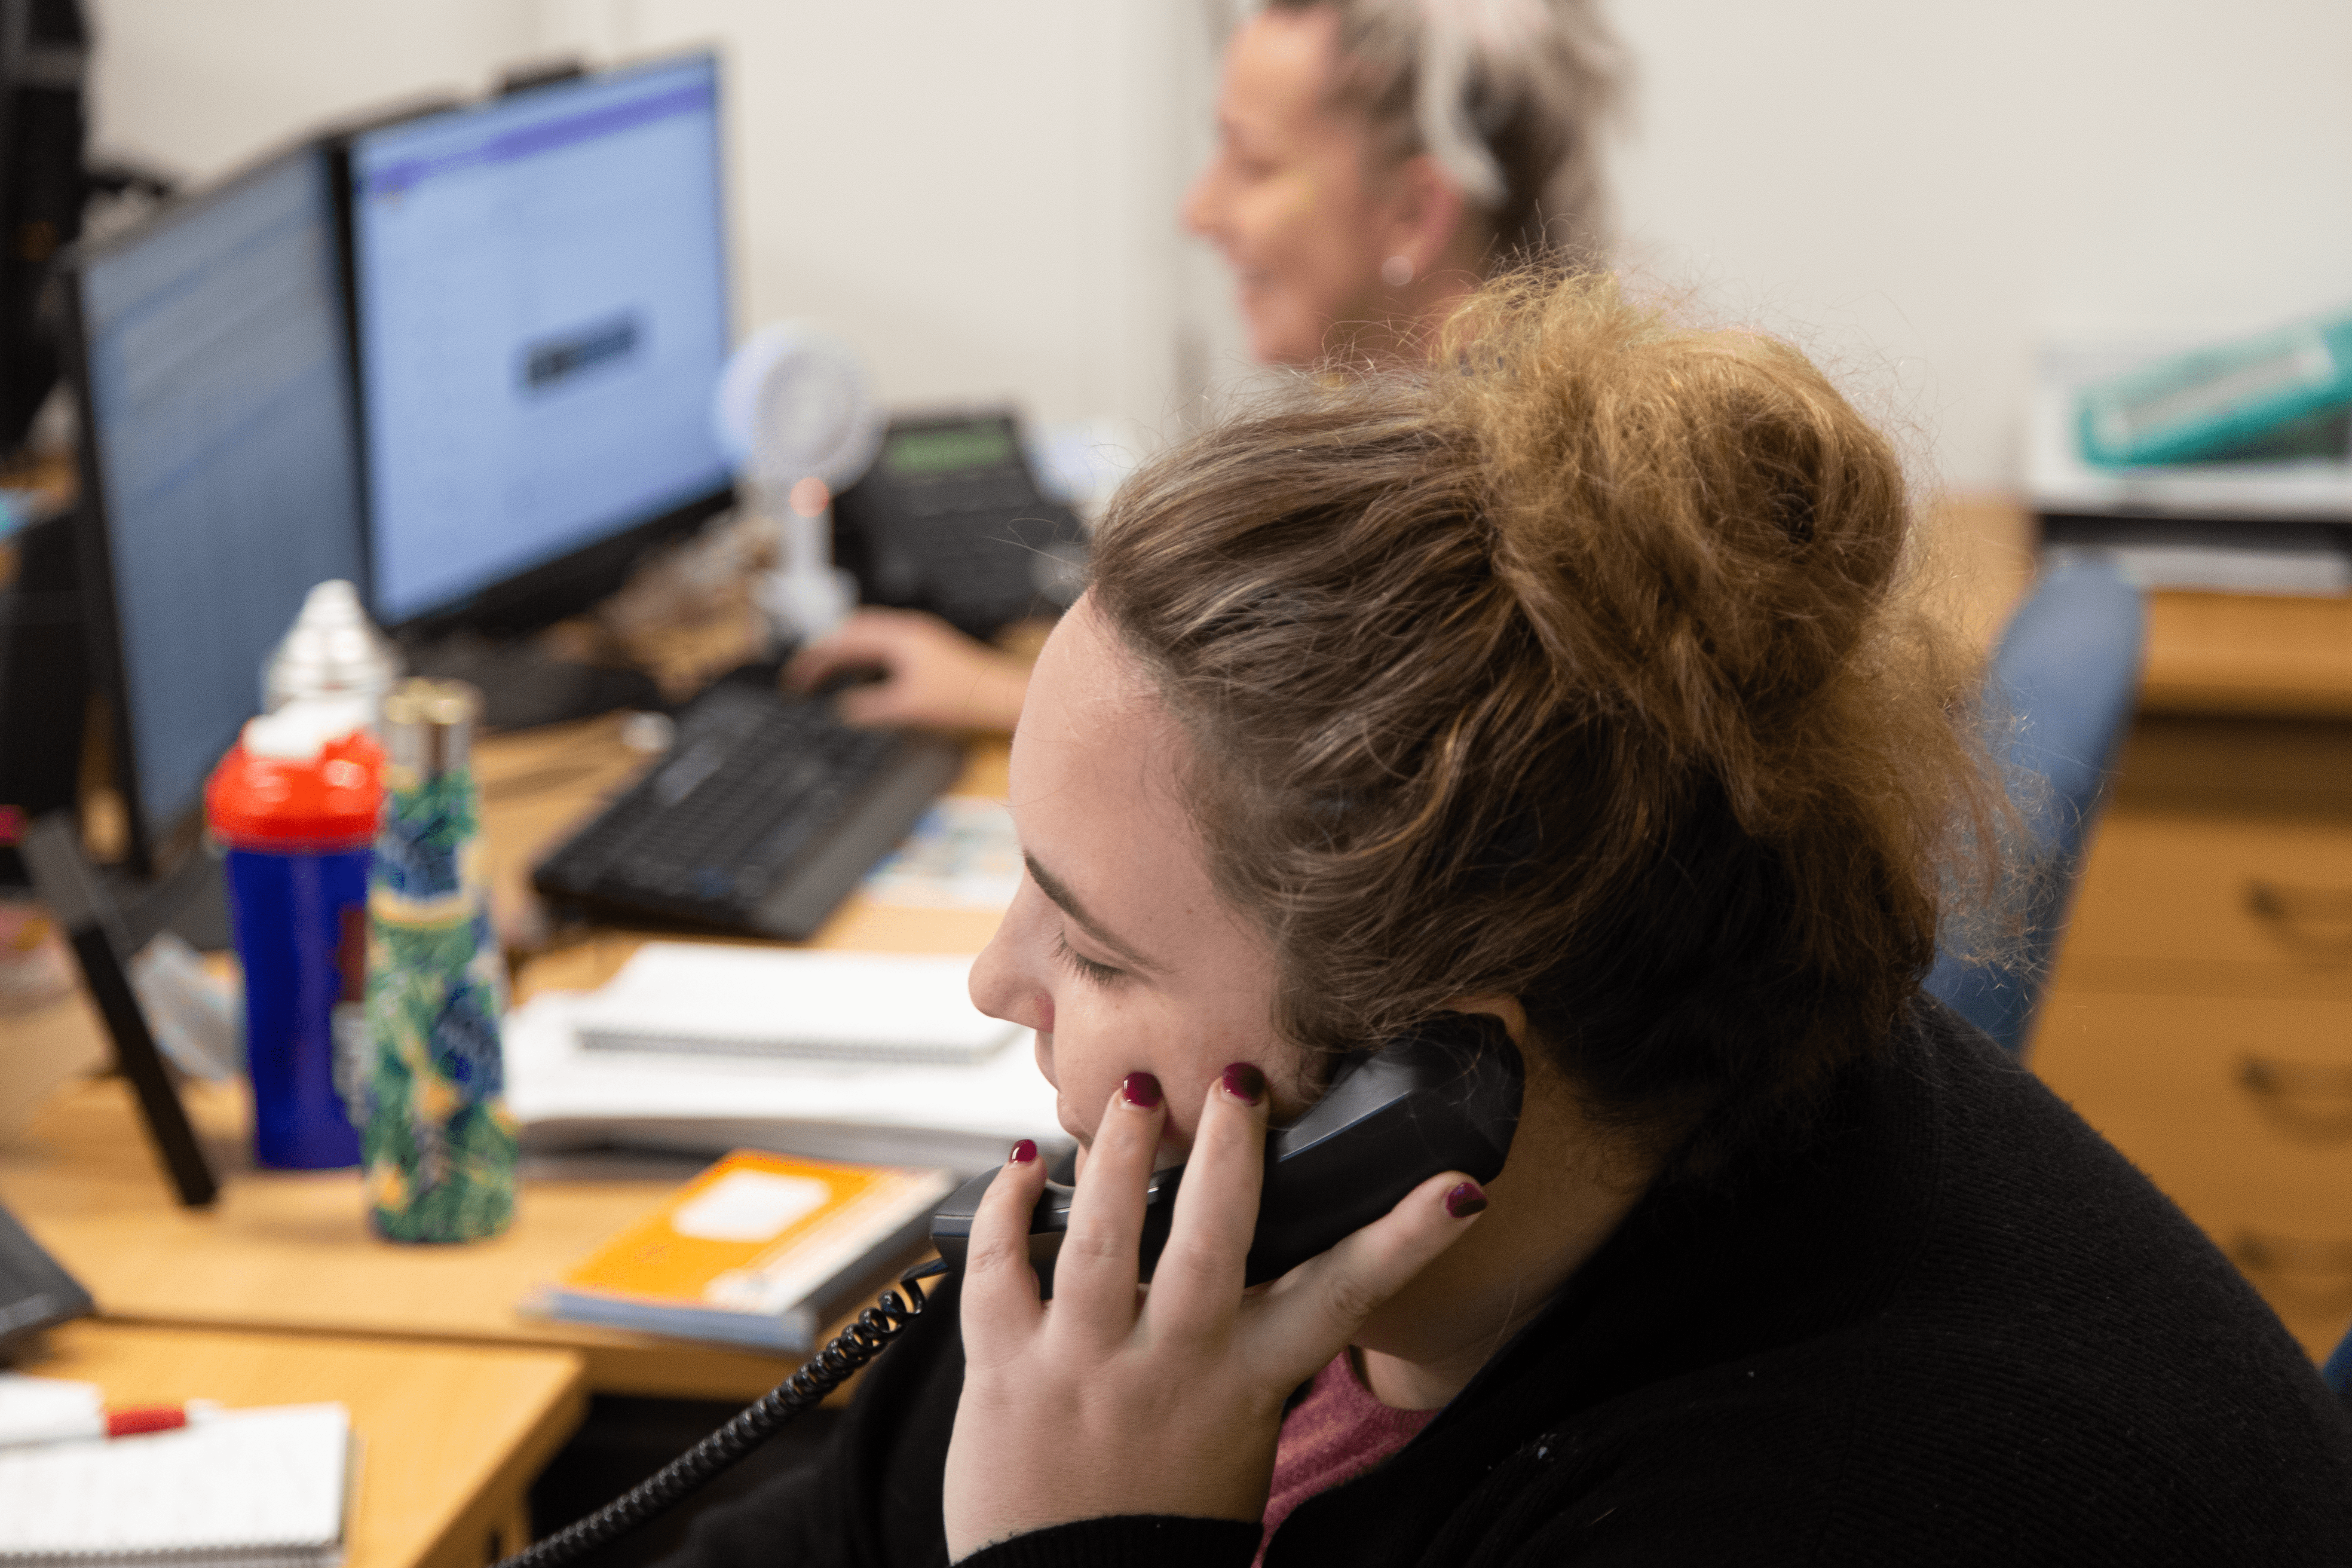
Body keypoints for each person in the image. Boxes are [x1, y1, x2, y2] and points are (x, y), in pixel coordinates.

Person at [666, 273, 2352, 1566]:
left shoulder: (1840, 1500)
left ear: (1430, 1083)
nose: (993, 983)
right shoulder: (1273, 1269)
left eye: (1096, 950)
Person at [784, 0, 1623, 733]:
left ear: (1414, 211)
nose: (1200, 212)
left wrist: (1002, 696)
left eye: (1252, 163)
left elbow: (1314, 781)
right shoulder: (1508, 432)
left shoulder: (1473, 536)